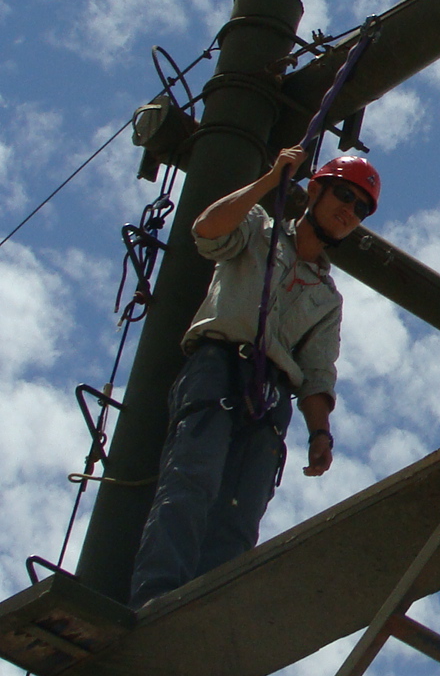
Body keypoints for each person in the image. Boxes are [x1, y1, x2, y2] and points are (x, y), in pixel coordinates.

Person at [127, 146, 379, 608]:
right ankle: (156, 598)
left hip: (271, 398)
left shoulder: (327, 298)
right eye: (344, 195)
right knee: (192, 481)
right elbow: (207, 230)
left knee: (239, 517)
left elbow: (318, 372)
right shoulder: (260, 230)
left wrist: (320, 433)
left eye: (361, 208)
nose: (350, 211)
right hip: (219, 369)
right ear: (315, 190)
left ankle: (202, 621)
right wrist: (271, 180)